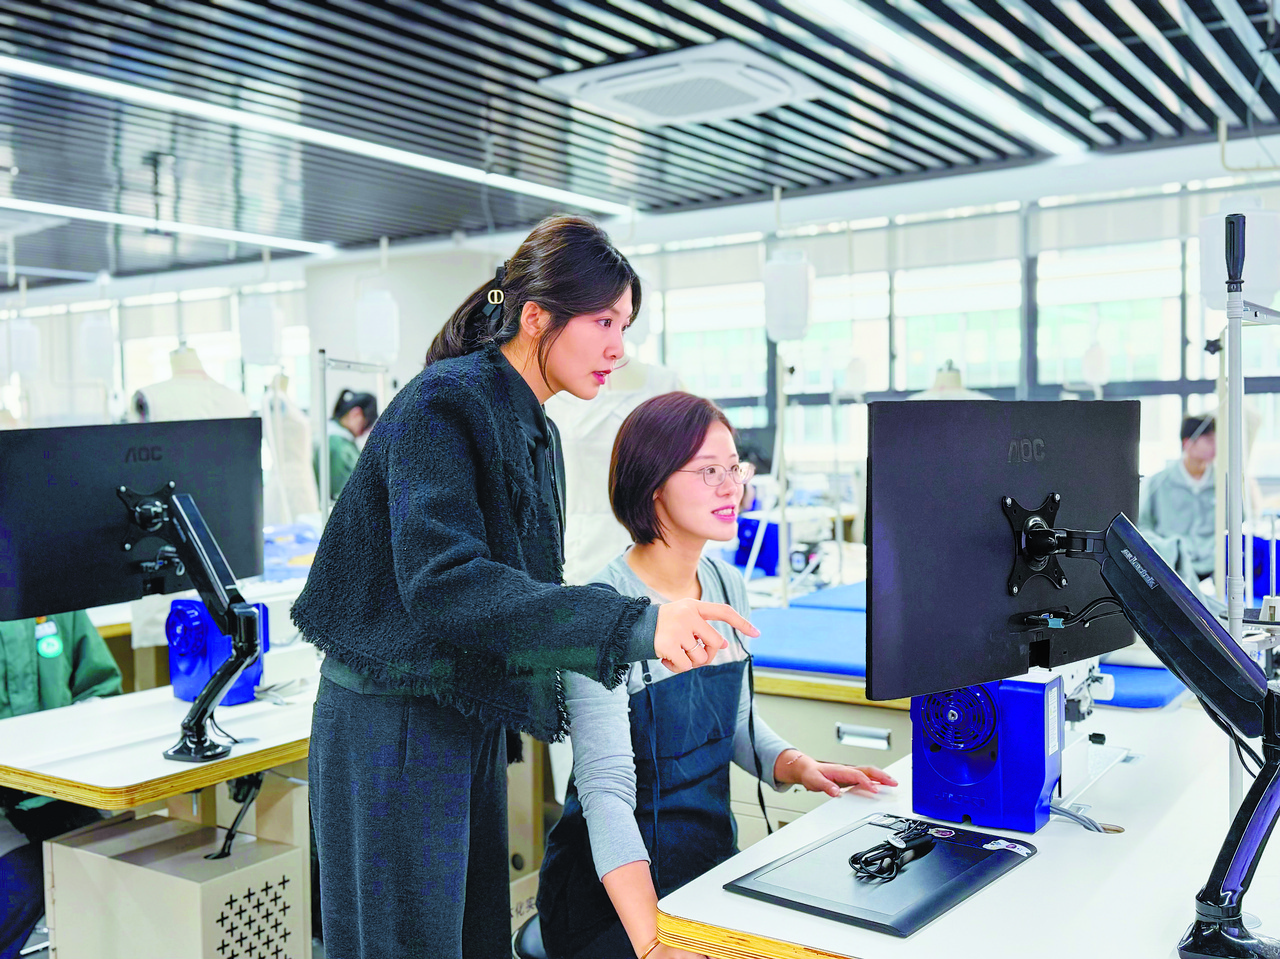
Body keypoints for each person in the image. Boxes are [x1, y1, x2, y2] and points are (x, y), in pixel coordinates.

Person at [291, 215, 756, 959]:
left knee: (472, 937)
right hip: (393, 720)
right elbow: (445, 584)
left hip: (460, 710)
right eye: (603, 322)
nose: (618, 347)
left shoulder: (534, 429)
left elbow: (515, 596)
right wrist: (636, 624)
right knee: (408, 944)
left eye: (625, 325)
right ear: (535, 317)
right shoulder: (444, 403)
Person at [536, 392, 896, 959]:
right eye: (709, 472)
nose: (732, 488)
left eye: (735, 469)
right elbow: (606, 795)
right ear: (653, 484)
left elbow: (735, 725)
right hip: (613, 899)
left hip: (706, 868)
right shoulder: (601, 613)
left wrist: (800, 765)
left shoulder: (727, 584)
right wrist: (653, 942)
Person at [0, 610, 123, 959]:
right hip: (5, 809)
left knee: (121, 867)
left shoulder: (55, 595)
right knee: (21, 886)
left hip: (60, 793)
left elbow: (101, 689)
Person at [1139, 414, 1216, 582]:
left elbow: (1240, 522)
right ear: (1188, 443)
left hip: (1215, 566)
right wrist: (1163, 548)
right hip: (1170, 564)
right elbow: (1142, 523)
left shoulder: (1224, 483)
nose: (1215, 446)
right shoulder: (1160, 481)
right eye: (1209, 440)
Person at [316, 389, 378, 500]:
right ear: (356, 414)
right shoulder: (339, 446)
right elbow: (349, 494)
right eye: (367, 424)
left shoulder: (330, 437)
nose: (364, 432)